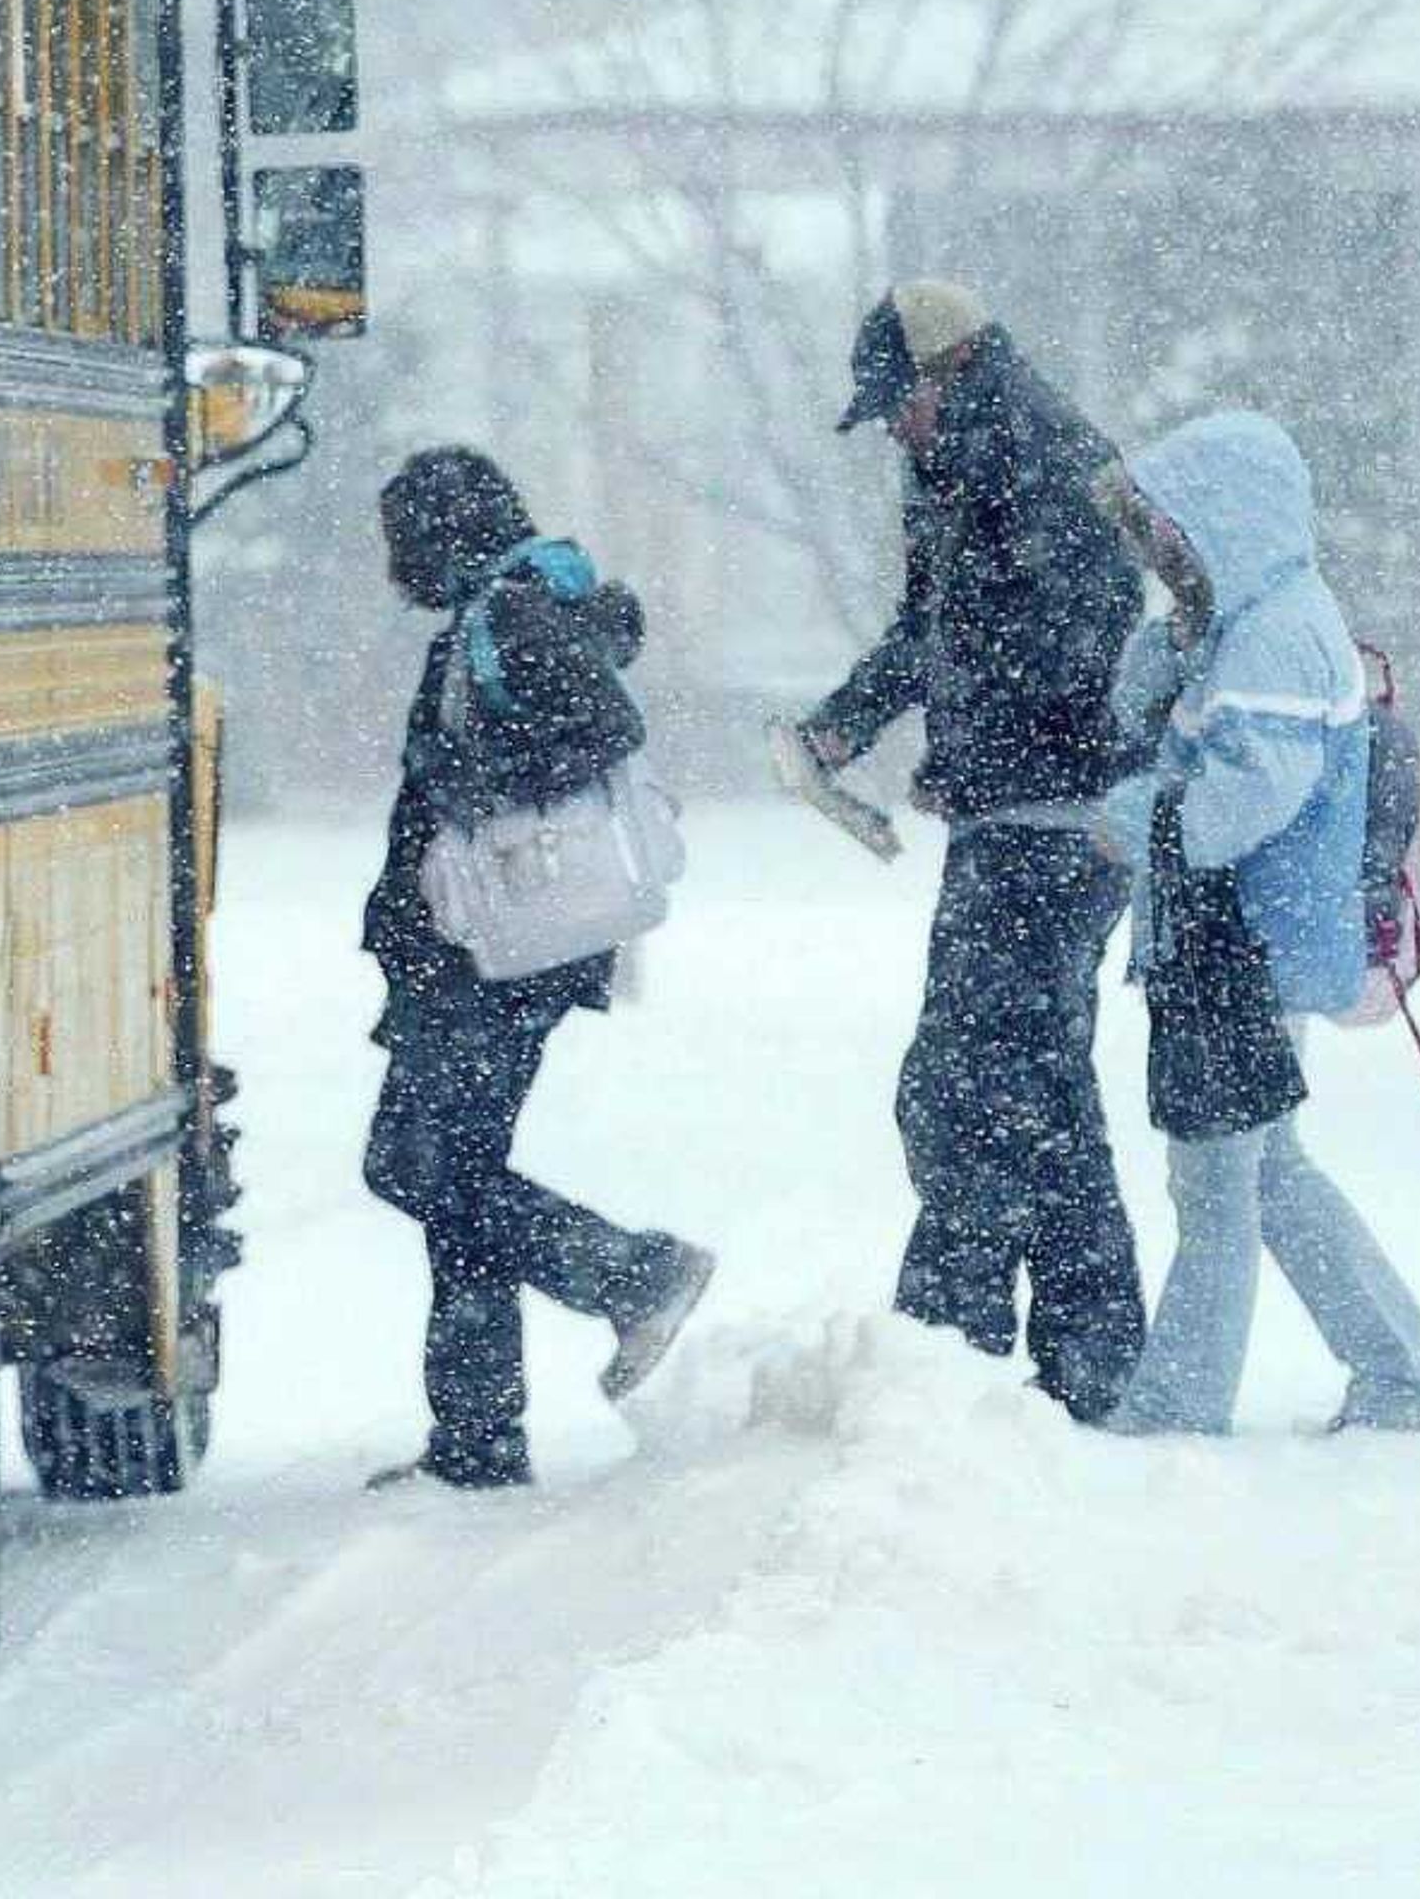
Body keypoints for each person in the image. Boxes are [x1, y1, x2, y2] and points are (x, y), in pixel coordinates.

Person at [798, 283, 1147, 1422]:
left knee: (968, 1089)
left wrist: (978, 737)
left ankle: (947, 1359)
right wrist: (845, 724)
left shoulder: (1050, 463)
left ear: (953, 371)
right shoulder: (955, 466)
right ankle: (1089, 1368)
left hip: (1056, 824)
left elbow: (1073, 647)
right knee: (1032, 1085)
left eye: (900, 403)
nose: (893, 426)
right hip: (1011, 820)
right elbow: (935, 631)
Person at [1092, 415, 1420, 1438]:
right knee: (1266, 1172)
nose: (1159, 553)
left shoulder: (1276, 638)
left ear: (1227, 519)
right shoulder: (1241, 624)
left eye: (1169, 531)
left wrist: (1132, 820)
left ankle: (1178, 1411)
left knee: (1215, 1182)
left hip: (1239, 947)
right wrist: (1168, 650)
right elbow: (1149, 721)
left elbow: (1236, 805)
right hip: (1236, 941)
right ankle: (1403, 1374)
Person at [361, 448, 716, 1492]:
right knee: (456, 1182)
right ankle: (476, 1441)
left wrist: (465, 784)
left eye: (403, 544)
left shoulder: (509, 615)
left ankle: (636, 1274)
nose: (395, 569)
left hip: (493, 961)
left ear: (445, 533)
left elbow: (607, 727)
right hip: (486, 956)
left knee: (418, 1167)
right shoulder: (506, 610)